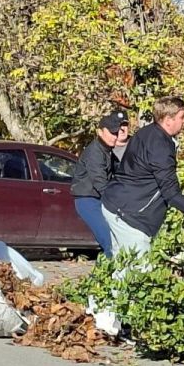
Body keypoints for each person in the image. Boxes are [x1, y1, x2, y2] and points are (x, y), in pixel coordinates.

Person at [101, 96, 184, 258]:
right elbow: (171, 193)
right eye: (182, 117)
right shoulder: (160, 146)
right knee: (138, 274)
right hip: (129, 215)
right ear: (168, 119)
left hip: (116, 204)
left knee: (121, 270)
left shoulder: (147, 133)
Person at [71, 109, 129, 258]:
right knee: (110, 242)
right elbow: (101, 183)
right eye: (111, 133)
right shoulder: (95, 152)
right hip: (88, 201)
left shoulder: (107, 150)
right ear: (100, 132)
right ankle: (111, 277)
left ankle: (105, 275)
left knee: (115, 241)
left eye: (116, 133)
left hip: (98, 200)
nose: (114, 137)